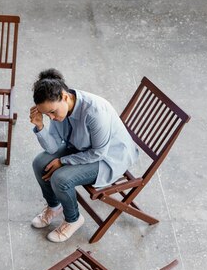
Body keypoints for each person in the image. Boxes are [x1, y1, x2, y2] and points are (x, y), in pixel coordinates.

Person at [29, 69, 139, 242]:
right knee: (39, 163)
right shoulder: (59, 110)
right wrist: (40, 127)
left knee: (61, 179)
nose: (51, 117)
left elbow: (98, 152)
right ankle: (54, 205)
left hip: (108, 157)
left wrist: (63, 161)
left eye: (52, 112)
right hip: (80, 147)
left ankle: (73, 219)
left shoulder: (95, 112)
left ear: (65, 97)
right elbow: (52, 148)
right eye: (46, 114)